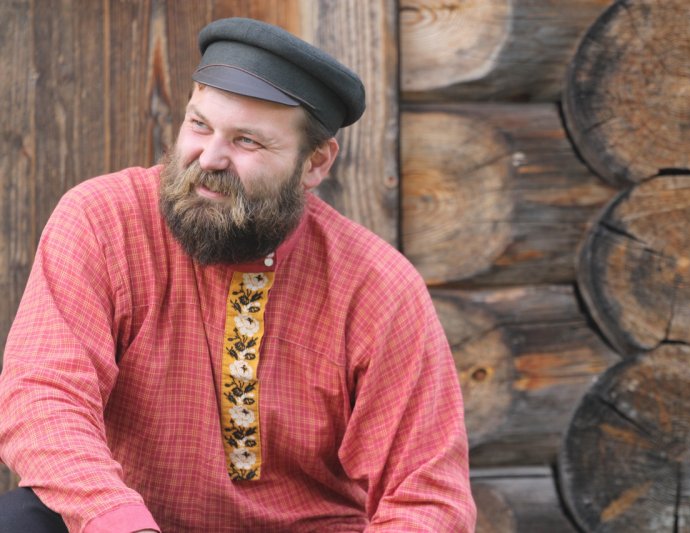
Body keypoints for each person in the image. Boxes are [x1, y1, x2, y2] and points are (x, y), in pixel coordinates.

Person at [0, 17, 476, 532]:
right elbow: (43, 397)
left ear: (315, 163)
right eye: (199, 125)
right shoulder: (103, 219)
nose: (209, 158)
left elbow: (428, 497)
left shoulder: (378, 287)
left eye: (247, 141)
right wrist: (120, 522)